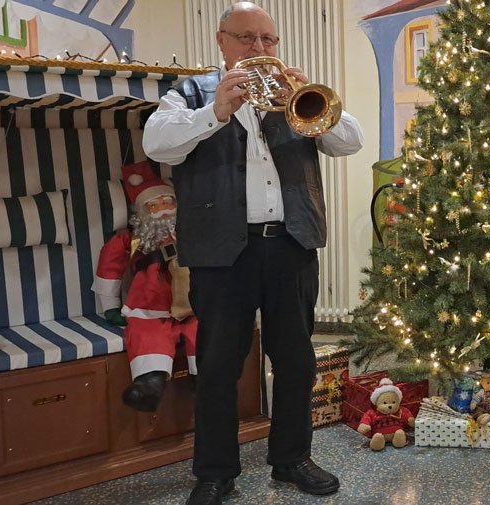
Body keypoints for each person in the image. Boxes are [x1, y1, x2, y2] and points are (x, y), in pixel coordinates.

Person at [142, 3, 363, 505]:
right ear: (222, 42)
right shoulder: (191, 94)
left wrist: (300, 102)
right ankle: (216, 472)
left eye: (268, 40)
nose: (260, 49)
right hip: (222, 255)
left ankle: (292, 459)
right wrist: (213, 113)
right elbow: (158, 145)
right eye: (247, 38)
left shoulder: (296, 94)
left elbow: (350, 140)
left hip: (291, 245)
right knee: (218, 365)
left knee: (296, 360)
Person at [92, 161, 197, 412]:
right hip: (150, 308)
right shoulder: (133, 239)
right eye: (154, 205)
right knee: (147, 335)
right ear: (142, 212)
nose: (162, 210)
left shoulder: (190, 231)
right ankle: (150, 384)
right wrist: (110, 307)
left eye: (167, 202)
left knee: (204, 331)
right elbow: (110, 266)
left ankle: (206, 381)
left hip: (193, 304)